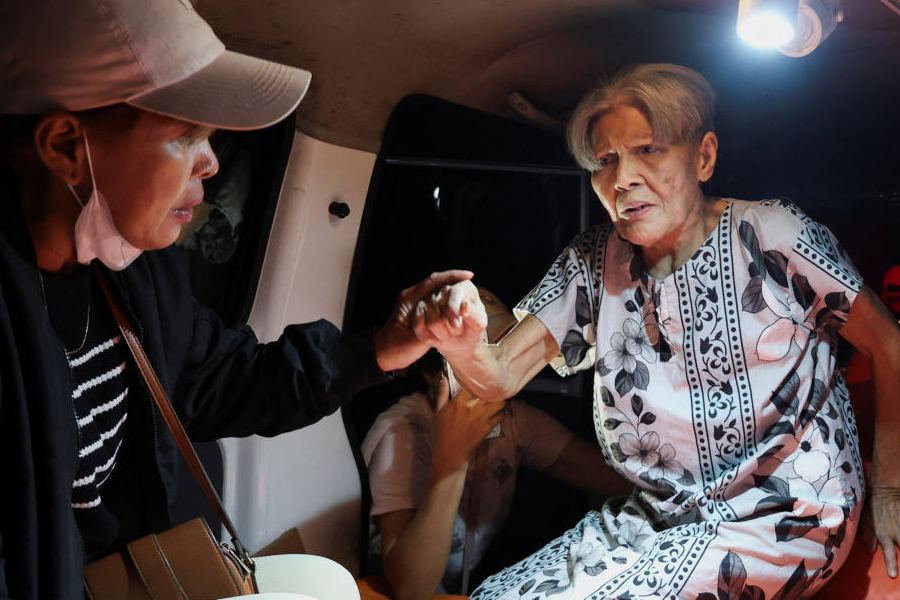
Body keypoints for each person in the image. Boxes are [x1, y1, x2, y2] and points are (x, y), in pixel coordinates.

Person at [0, 1, 471, 598]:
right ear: (65, 145)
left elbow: (226, 379)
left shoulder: (136, 277)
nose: (212, 161)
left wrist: (380, 349)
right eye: (184, 135)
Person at [411, 64, 900, 597]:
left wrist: (890, 485)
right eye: (605, 161)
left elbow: (888, 342)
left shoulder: (772, 233)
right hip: (659, 515)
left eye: (648, 150)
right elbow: (501, 374)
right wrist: (461, 341)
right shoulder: (594, 263)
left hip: (787, 511)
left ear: (703, 156)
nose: (621, 179)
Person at [362, 290, 630, 599]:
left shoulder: (512, 423)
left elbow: (605, 476)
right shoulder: (401, 432)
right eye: (471, 356)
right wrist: (452, 455)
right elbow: (410, 589)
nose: (487, 373)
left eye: (497, 354)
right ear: (432, 371)